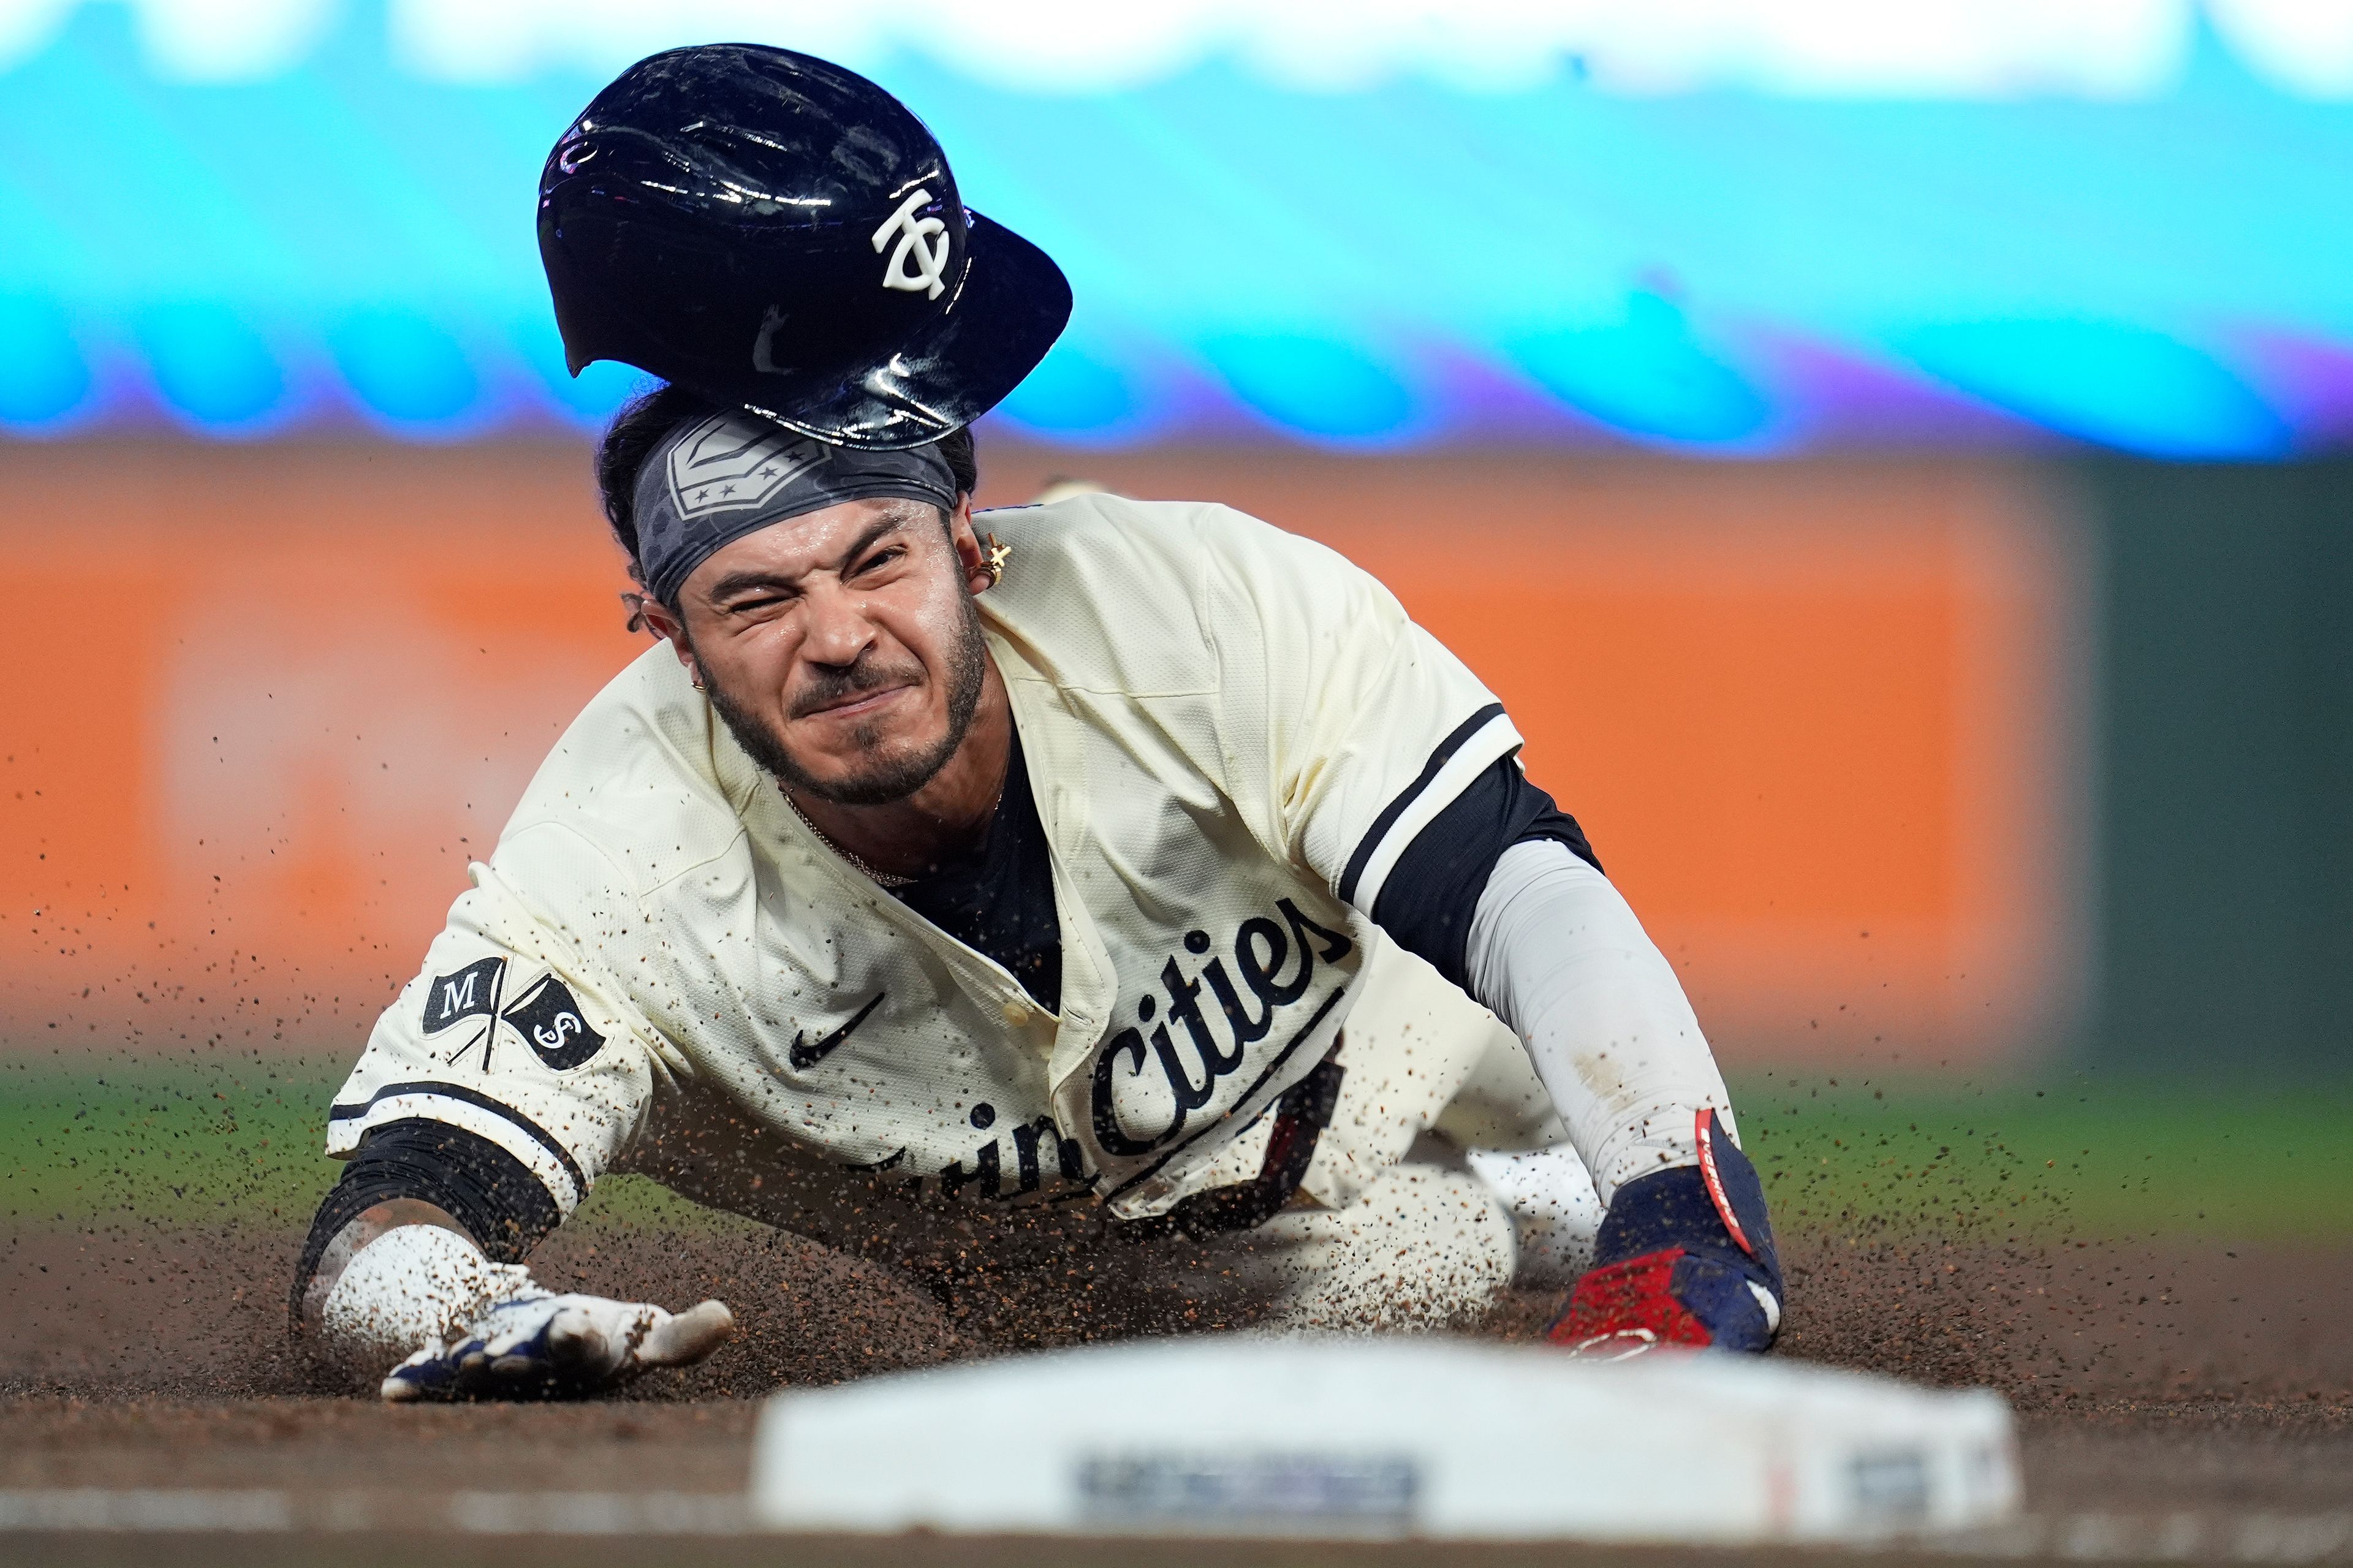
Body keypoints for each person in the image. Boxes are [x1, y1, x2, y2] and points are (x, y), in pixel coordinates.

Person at [293, 44, 1782, 1401]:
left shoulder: (1198, 604)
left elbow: (1527, 884)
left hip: (1402, 998)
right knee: (1415, 1277)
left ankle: (1565, 1191)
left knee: (1592, 1083)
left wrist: (1673, 1198)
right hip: (1174, 1294)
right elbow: (388, 1209)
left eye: (878, 557)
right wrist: (445, 1299)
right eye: (751, 603)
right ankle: (1520, 1216)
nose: (835, 637)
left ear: (972, 541)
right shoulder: (620, 855)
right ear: (668, 637)